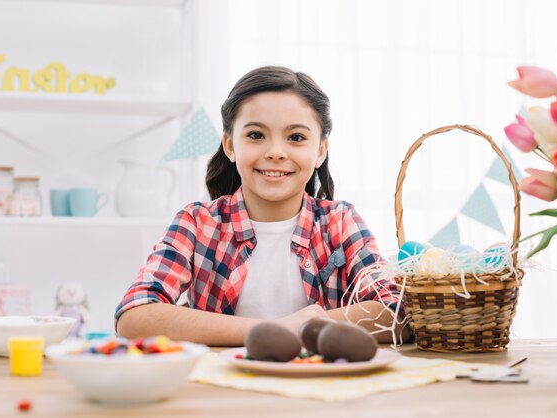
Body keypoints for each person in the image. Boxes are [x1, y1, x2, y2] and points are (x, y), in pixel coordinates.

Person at [115, 66, 406, 346]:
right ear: (229, 145)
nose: (276, 152)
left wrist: (304, 328)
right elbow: (135, 318)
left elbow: (397, 312)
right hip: (224, 389)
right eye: (256, 135)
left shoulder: (340, 221)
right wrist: (273, 330)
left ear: (320, 151)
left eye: (296, 138)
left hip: (322, 387)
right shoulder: (196, 222)